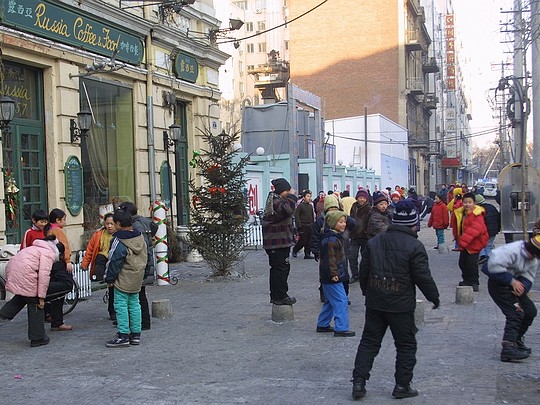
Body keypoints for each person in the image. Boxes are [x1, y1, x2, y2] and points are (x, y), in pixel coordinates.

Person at [351, 200, 440, 399]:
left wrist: (367, 292)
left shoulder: (375, 242)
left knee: (369, 342)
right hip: (401, 305)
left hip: (376, 301)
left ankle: (358, 383)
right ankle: (402, 385)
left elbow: (364, 271)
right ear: (413, 224)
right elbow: (423, 277)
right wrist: (434, 297)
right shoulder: (415, 245)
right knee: (406, 345)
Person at [483, 235, 540, 362]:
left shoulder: (533, 260)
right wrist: (511, 281)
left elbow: (529, 278)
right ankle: (508, 348)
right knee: (516, 313)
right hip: (498, 285)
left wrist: (523, 287)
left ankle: (516, 340)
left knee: (530, 311)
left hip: (515, 286)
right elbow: (490, 267)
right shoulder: (512, 250)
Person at [0, 236, 61, 347]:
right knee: (35, 303)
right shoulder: (48, 253)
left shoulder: (34, 248)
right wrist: (41, 297)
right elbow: (44, 276)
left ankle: (3, 315)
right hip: (25, 274)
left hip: (13, 270)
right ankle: (38, 338)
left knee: (22, 296)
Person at [104, 209, 147, 347]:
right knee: (134, 304)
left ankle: (123, 334)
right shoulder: (140, 237)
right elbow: (147, 256)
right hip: (137, 276)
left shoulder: (119, 239)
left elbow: (114, 260)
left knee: (121, 305)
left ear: (118, 223)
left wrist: (109, 278)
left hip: (123, 278)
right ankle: (136, 334)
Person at [118, 201, 157, 330]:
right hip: (144, 264)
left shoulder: (136, 226)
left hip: (141, 265)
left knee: (139, 295)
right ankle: (141, 322)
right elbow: (154, 227)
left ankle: (143, 322)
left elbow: (140, 247)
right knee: (139, 294)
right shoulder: (142, 221)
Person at [316, 210, 355, 337]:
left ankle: (323, 324)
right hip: (332, 276)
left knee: (330, 301)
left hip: (331, 275)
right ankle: (341, 328)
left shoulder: (334, 237)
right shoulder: (331, 239)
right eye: (341, 222)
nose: (344, 224)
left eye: (344, 222)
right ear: (333, 223)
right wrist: (334, 274)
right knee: (341, 301)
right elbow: (330, 260)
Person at [262, 178, 298, 305]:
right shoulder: (276, 202)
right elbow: (288, 210)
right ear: (281, 190)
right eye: (287, 190)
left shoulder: (275, 200)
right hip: (277, 243)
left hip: (278, 242)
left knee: (279, 269)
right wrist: (292, 196)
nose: (289, 192)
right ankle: (280, 296)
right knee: (280, 269)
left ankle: (277, 295)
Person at [81, 212, 116, 320]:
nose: (109, 226)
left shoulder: (120, 234)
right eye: (107, 223)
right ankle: (100, 278)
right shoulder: (98, 235)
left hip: (115, 264)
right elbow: (90, 250)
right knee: (110, 286)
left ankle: (115, 311)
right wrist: (85, 263)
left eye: (112, 224)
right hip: (103, 261)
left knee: (114, 289)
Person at [451, 192, 489, 291]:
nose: (467, 204)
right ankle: (466, 280)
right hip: (464, 243)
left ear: (474, 203)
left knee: (471, 264)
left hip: (474, 243)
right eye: (465, 202)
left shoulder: (477, 214)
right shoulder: (460, 212)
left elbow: (474, 230)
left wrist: (462, 242)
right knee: (462, 263)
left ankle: (474, 282)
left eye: (469, 202)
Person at [45, 242, 74, 331]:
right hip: (50, 283)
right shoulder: (59, 263)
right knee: (58, 295)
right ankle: (56, 322)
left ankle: (55, 320)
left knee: (56, 297)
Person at [348, 189, 371, 284]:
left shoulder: (369, 209)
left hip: (365, 236)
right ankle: (355, 274)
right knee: (352, 256)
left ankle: (363, 274)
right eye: (360, 197)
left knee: (365, 257)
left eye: (363, 198)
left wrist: (366, 231)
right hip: (354, 235)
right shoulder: (354, 206)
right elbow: (351, 219)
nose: (361, 199)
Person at [475, 194, 501, 265]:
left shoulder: (478, 210)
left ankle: (484, 256)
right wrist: (498, 229)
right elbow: (498, 218)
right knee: (489, 245)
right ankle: (488, 259)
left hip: (483, 231)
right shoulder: (492, 207)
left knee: (481, 244)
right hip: (493, 230)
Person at [292, 190, 315, 259]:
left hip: (310, 225)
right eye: (307, 196)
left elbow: (312, 216)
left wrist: (313, 224)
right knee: (302, 241)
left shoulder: (310, 206)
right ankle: (295, 250)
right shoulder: (300, 206)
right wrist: (299, 225)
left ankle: (307, 254)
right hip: (303, 226)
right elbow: (296, 215)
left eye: (310, 196)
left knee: (309, 241)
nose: (309, 198)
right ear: (304, 197)